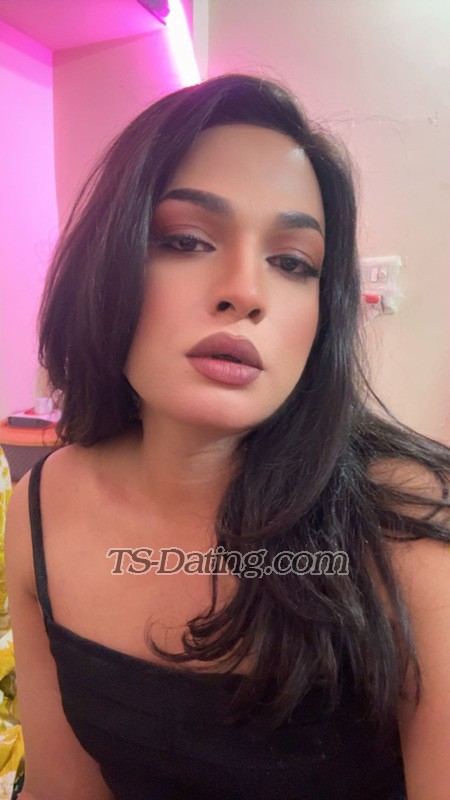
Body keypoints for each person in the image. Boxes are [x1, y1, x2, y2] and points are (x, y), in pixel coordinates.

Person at [4, 73, 450, 800]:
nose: (246, 291)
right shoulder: (39, 509)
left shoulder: (412, 528)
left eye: (292, 263)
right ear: (104, 262)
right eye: (185, 240)